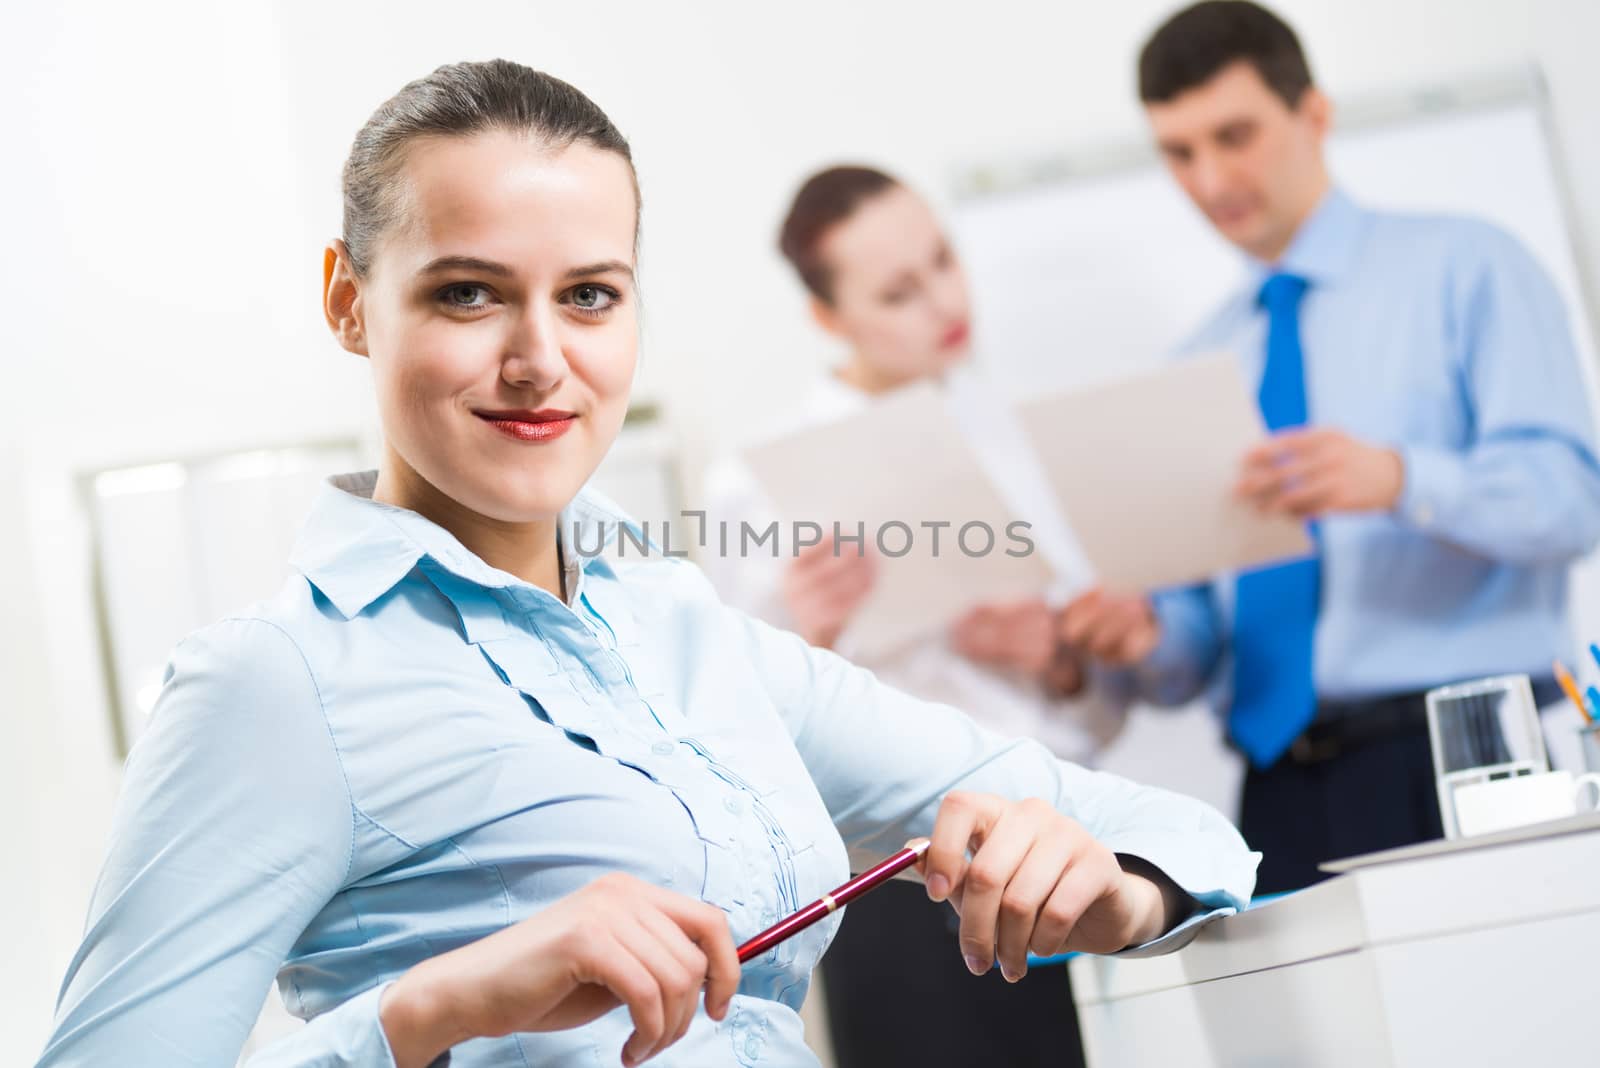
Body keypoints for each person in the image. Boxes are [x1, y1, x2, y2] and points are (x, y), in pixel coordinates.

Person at [38, 60, 1255, 1068]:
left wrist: (1120, 895)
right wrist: (426, 1011)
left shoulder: (687, 634)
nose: (538, 359)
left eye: (589, 295)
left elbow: (1185, 839)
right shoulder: (274, 686)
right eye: (468, 294)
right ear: (350, 302)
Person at [1063, 0, 1600, 894]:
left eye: (1234, 135)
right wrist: (1147, 635)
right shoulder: (1199, 361)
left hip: (1470, 761)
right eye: (1179, 151)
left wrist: (1399, 478)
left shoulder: (1469, 268)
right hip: (1281, 792)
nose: (1209, 177)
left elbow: (1571, 498)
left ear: (1314, 114)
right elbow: (1196, 646)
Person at [701, 166, 1127, 1068]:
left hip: (1068, 852)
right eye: (898, 291)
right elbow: (729, 742)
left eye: (943, 259)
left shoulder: (1014, 435)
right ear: (830, 318)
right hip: (905, 885)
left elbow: (1097, 707)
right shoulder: (757, 486)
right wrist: (810, 637)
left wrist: (1058, 658)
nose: (944, 300)